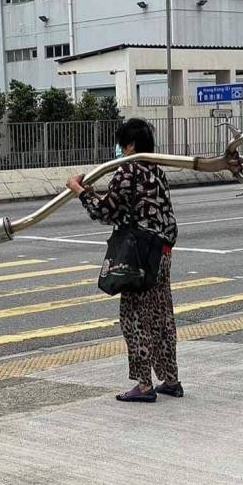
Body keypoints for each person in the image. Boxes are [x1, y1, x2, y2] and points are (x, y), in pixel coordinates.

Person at [66, 118, 181, 402]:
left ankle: (144, 385)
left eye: (121, 144)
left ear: (129, 145)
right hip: (162, 252)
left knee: (135, 318)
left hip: (139, 255)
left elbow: (106, 212)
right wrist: (92, 193)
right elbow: (124, 205)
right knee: (162, 316)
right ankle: (170, 379)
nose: (119, 149)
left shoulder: (127, 169)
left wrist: (79, 191)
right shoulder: (156, 170)